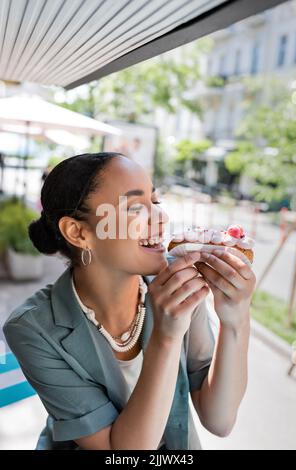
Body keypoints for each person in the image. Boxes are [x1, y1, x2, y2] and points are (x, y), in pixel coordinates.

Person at [3, 152, 256, 450]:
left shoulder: (179, 285)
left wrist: (235, 317)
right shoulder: (32, 329)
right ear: (78, 232)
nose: (161, 218)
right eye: (136, 207)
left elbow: (220, 420)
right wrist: (166, 336)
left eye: (156, 202)